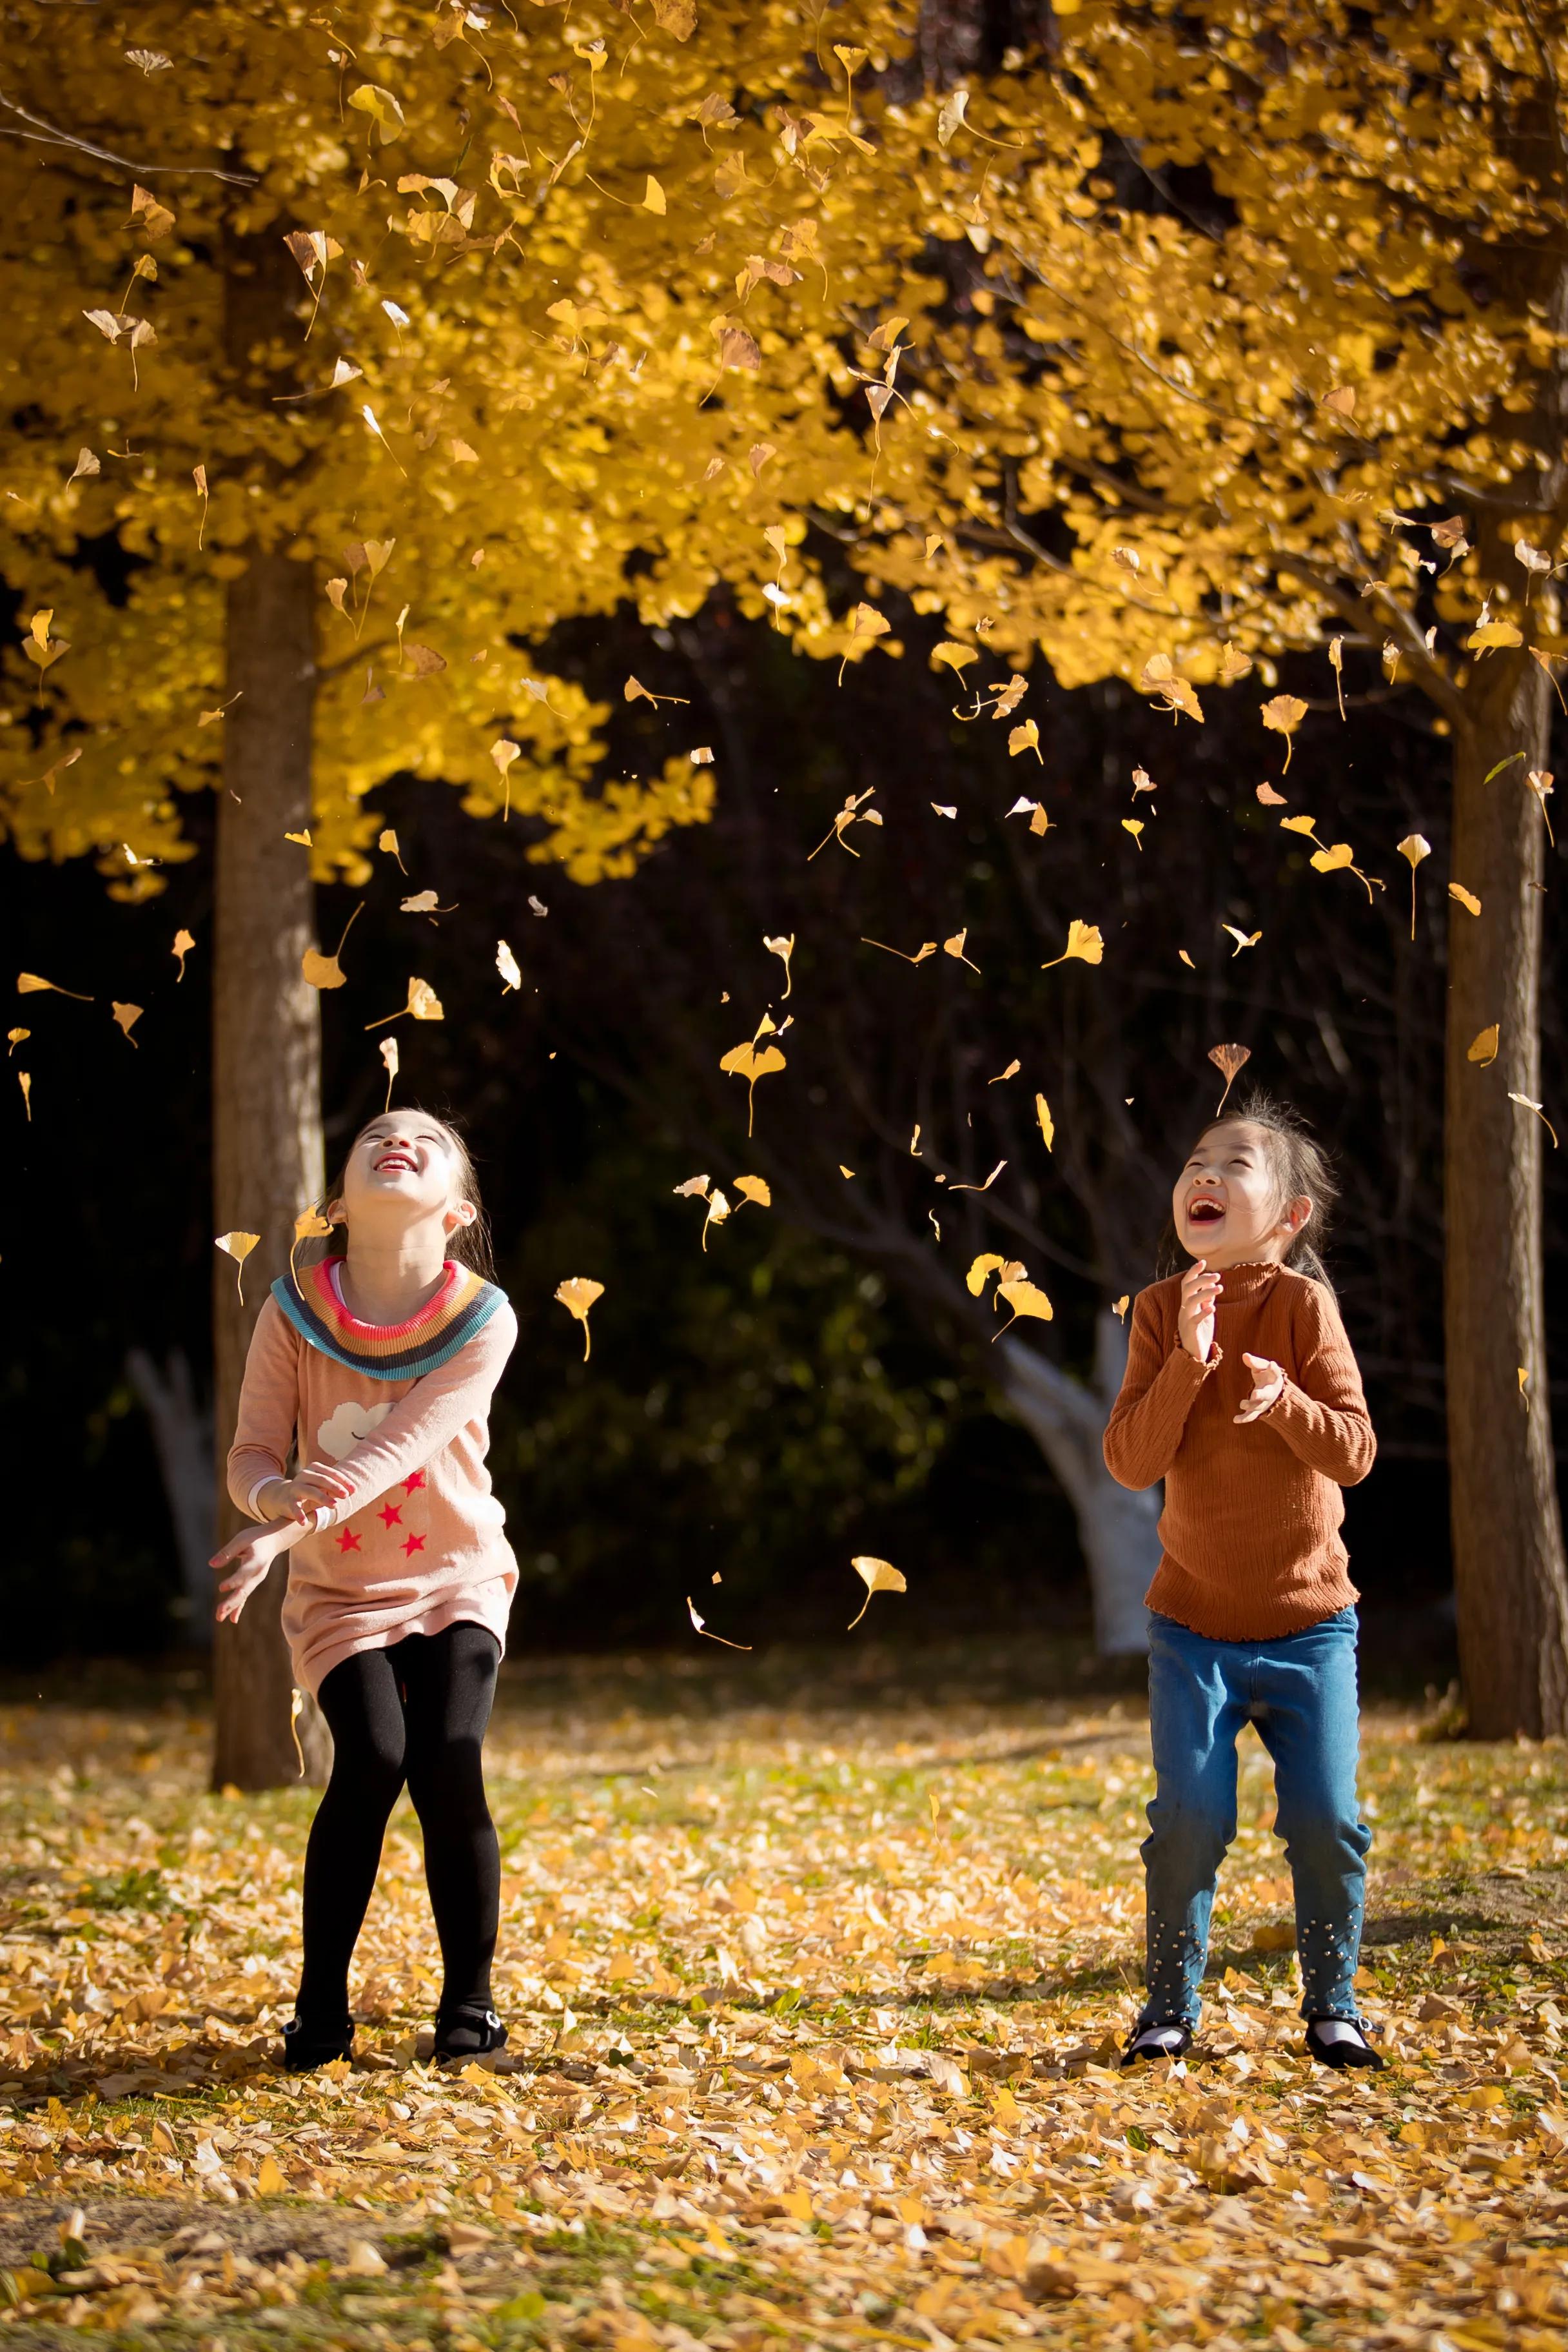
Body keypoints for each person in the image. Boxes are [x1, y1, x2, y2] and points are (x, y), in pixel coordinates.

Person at [211, 1108, 518, 2071]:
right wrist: (269, 1500)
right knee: (373, 1759)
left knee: (448, 1760)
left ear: (459, 1211)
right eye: (379, 1134)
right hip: (342, 1596)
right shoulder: (291, 1310)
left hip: (456, 1579)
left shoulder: (483, 1318)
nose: (401, 1140)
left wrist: (281, 1531)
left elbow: (399, 1449)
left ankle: (469, 2009)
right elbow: (253, 1454)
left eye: (426, 1140)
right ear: (339, 1204)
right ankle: (320, 2012)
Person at [1103, 1093, 1382, 2070]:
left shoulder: (1306, 1306)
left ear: (1291, 1215)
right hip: (1192, 1628)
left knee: (1326, 1821)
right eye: (1193, 1163)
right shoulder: (1155, 1308)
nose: (1204, 1178)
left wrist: (1283, 1401)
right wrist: (1187, 1358)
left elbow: (1353, 1452)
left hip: (1312, 1627)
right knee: (1189, 1818)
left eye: (1235, 1164)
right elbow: (1131, 1464)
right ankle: (1169, 2009)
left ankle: (1334, 2006)